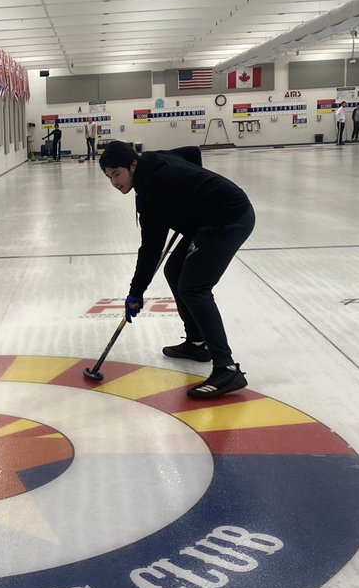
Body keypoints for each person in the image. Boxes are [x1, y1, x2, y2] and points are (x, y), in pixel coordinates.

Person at [99, 141, 255, 399]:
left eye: (117, 174)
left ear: (132, 165)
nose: (114, 182)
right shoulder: (152, 157)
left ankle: (227, 368)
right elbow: (191, 153)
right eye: (109, 177)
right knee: (174, 270)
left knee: (194, 288)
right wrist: (192, 195)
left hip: (229, 218)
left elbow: (150, 249)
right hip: (207, 219)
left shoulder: (152, 192)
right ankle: (197, 344)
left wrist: (135, 293)